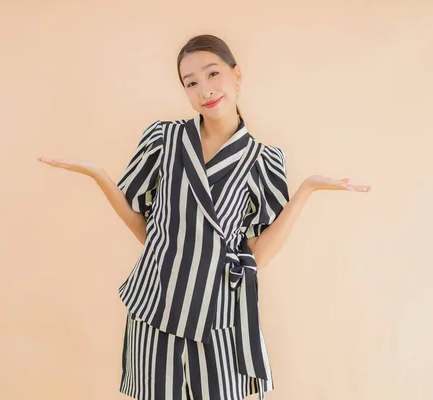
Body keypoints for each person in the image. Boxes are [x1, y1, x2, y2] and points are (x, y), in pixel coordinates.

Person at [37, 34, 371, 400]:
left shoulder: (265, 160)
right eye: (191, 83)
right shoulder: (163, 139)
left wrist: (306, 189)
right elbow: (146, 228)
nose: (205, 90)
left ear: (236, 75)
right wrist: (98, 174)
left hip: (221, 315)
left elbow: (256, 256)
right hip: (155, 306)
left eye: (213, 74)